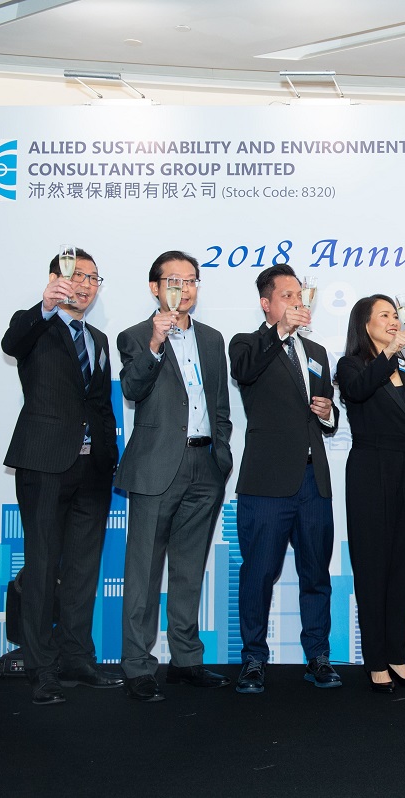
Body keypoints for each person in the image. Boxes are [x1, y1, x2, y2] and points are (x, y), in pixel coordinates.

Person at [1, 247, 122, 705]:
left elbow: (100, 405)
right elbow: (12, 343)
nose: (86, 285)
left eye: (94, 278)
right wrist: (44, 306)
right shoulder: (35, 323)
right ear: (58, 277)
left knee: (82, 569)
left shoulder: (99, 339)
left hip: (93, 469)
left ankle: (76, 658)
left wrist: (110, 458)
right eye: (79, 275)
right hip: (45, 463)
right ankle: (41, 667)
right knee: (42, 565)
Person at [114, 251, 233, 702]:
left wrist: (222, 456)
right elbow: (132, 389)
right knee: (143, 571)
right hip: (156, 466)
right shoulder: (134, 336)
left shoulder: (213, 339)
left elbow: (220, 406)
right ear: (155, 287)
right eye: (174, 281)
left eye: (191, 280)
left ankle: (186, 659)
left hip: (206, 466)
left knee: (189, 569)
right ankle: (137, 665)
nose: (184, 289)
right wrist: (155, 343)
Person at [228, 264, 341, 693]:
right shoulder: (247, 343)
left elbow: (326, 410)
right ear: (266, 303)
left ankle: (318, 657)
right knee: (258, 574)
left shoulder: (316, 351)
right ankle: (253, 659)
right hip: (267, 483)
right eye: (287, 296)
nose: (296, 302)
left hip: (314, 482)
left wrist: (329, 414)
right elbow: (244, 371)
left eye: (300, 295)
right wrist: (279, 332)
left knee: (316, 575)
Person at [336, 295, 405, 693]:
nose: (393, 320)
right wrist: (389, 354)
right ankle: (376, 662)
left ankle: (398, 657)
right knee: (373, 569)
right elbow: (358, 391)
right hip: (371, 472)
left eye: (395, 315)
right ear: (365, 324)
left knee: (403, 569)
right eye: (384, 315)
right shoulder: (351, 365)